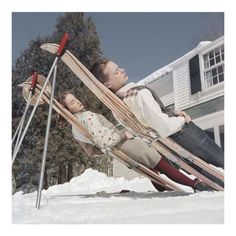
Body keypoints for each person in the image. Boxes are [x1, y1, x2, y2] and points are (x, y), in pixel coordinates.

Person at [90, 59, 224, 187]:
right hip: (182, 133)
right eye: (116, 72)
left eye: (118, 68)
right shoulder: (138, 93)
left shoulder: (118, 107)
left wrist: (172, 113)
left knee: (206, 173)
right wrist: (182, 119)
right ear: (107, 84)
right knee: (221, 159)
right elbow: (164, 126)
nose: (122, 70)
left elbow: (150, 123)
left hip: (168, 147)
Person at [59, 92, 212, 192]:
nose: (77, 102)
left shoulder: (75, 129)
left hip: (118, 150)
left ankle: (163, 189)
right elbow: (104, 139)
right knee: (161, 164)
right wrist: (123, 135)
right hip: (124, 144)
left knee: (151, 169)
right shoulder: (87, 117)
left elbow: (92, 150)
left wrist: (107, 150)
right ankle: (195, 185)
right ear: (67, 109)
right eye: (72, 102)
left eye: (76, 98)